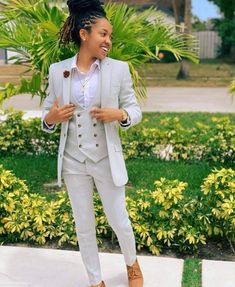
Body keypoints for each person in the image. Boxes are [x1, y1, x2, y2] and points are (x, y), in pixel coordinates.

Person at [41, 0, 143, 286]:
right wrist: (50, 118)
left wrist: (120, 114)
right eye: (103, 34)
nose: (109, 40)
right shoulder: (57, 70)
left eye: (110, 35)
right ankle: (95, 280)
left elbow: (136, 110)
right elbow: (48, 114)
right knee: (84, 226)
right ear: (84, 34)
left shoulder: (118, 70)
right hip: (73, 160)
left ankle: (132, 266)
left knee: (118, 219)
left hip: (105, 159)